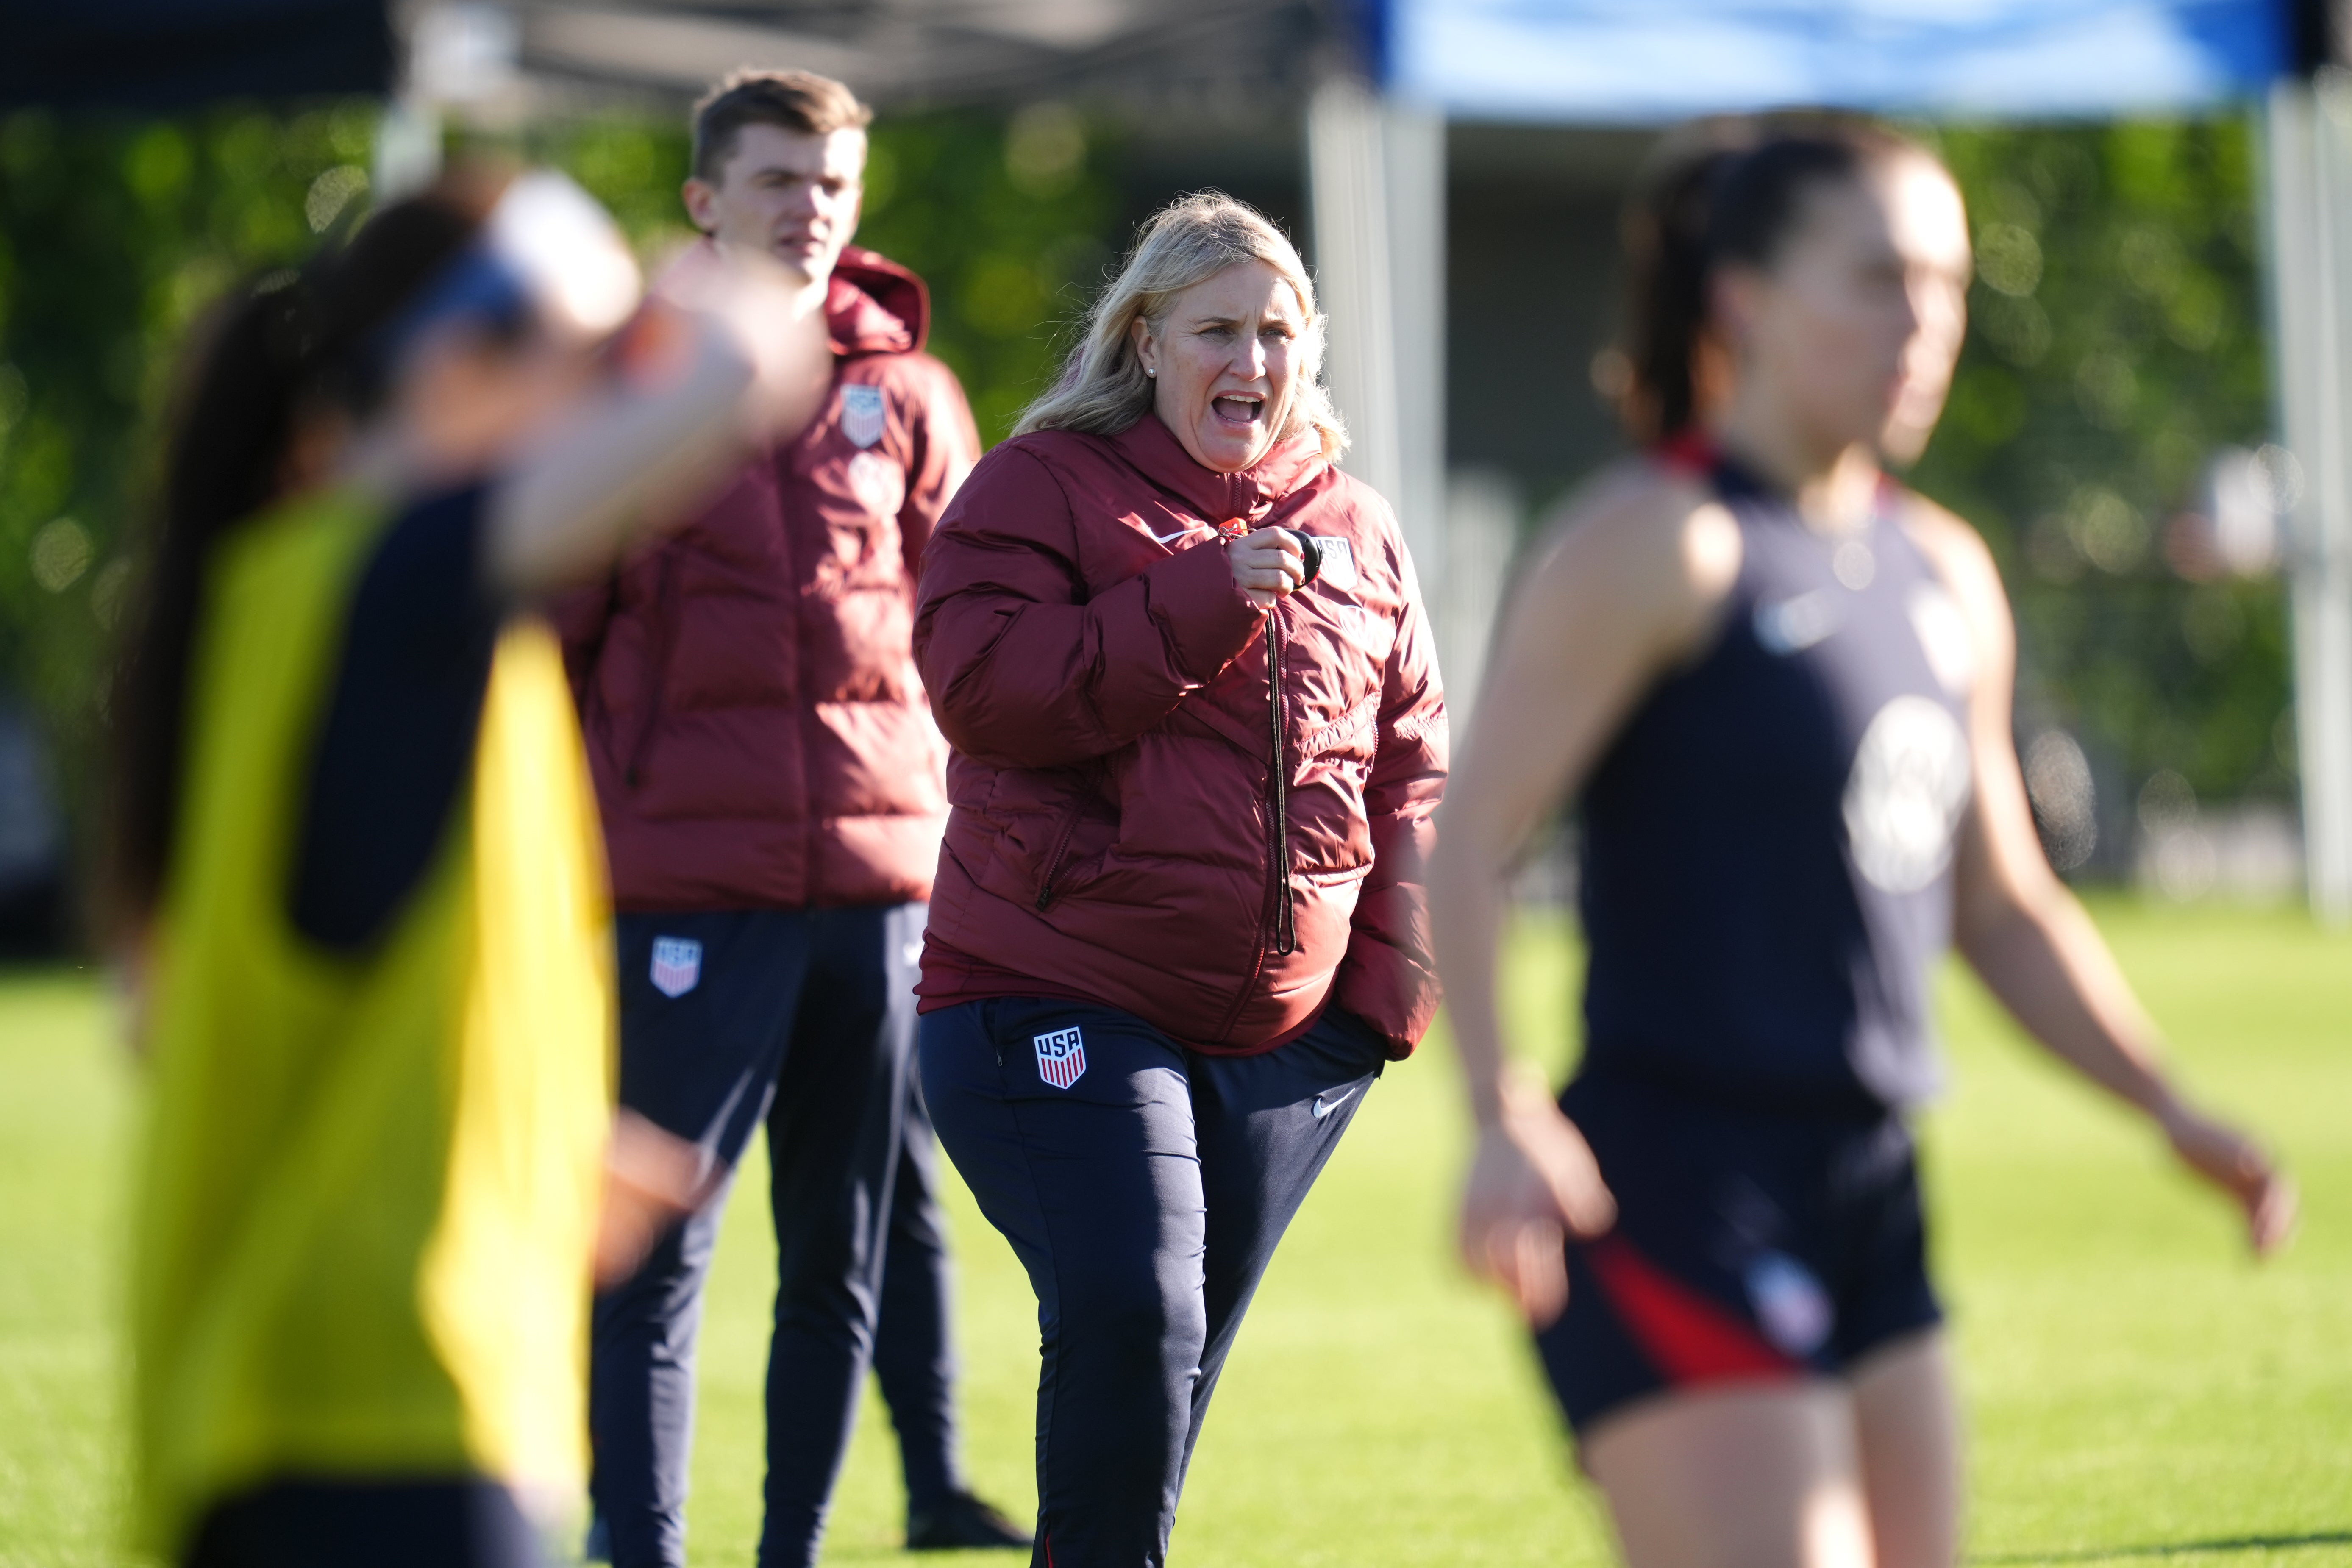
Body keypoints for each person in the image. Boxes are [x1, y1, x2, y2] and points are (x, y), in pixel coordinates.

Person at [1430, 117, 2298, 1568]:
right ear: (1744, 297)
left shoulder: (1944, 571)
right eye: (1881, 279)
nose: (1925, 326)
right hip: (1674, 1191)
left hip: (1872, 1191)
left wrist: (2170, 1106)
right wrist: (1500, 1107)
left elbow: (2005, 906)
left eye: (1949, 285)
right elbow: (1461, 840)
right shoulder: (1662, 543)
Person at [111, 170, 825, 1568]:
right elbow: (748, 360)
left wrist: (548, 1139)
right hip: (375, 1428)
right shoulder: (389, 586)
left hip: (308, 1422)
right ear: (460, 359)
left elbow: (347, 993)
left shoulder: (324, 602)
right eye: (601, 355)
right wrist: (685, 297)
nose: (624, 390)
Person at [910, 191, 1448, 1567]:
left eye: (1279, 334)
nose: (1252, 364)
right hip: (1052, 994)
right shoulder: (1038, 486)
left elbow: (1412, 772)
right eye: (1219, 330)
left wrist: (1377, 1007)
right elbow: (984, 691)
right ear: (1145, 341)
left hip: (1284, 1042)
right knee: (1136, 1313)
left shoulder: (1361, 527)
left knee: (1154, 1384)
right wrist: (1207, 593)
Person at [554, 69, 1023, 1567]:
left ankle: (794, 1550)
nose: (809, 205)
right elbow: (550, 646)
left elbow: (982, 636)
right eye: (776, 179)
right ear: (704, 198)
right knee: (656, 1254)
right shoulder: (621, 384)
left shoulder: (917, 393)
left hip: (882, 890)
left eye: (830, 182)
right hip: (686, 894)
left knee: (843, 1252)